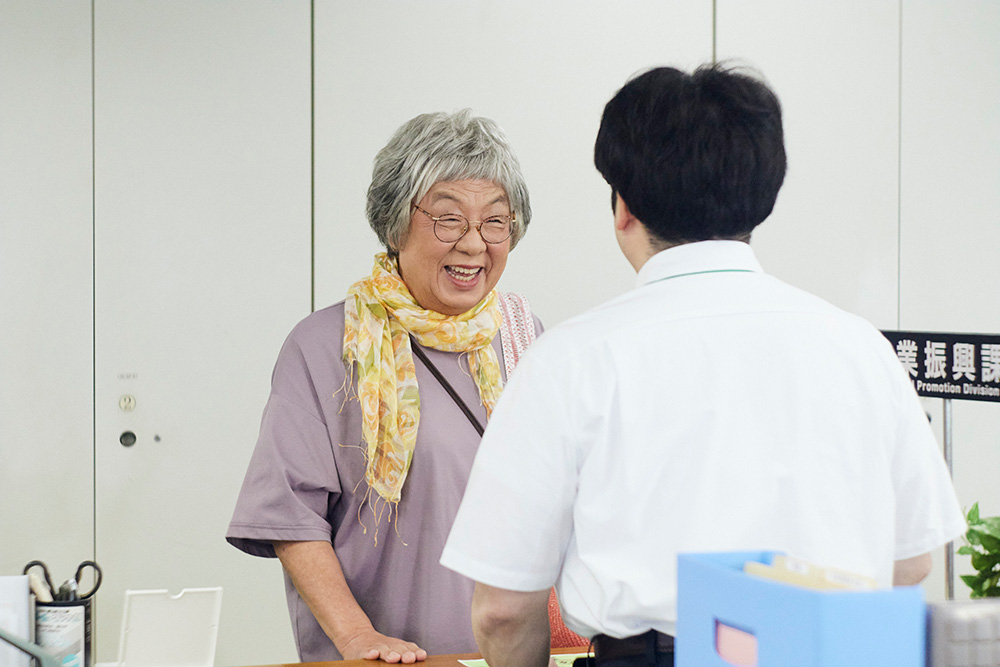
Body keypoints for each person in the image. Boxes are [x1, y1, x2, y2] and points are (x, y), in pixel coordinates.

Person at [440, 64, 966, 667]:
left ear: (624, 207)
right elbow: (913, 561)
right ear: (760, 197)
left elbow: (503, 609)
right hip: (836, 652)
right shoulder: (862, 349)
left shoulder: (568, 361)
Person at [226, 109, 570, 663]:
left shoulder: (524, 338)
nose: (475, 244)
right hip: (389, 660)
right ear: (395, 222)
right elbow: (291, 518)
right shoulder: (325, 346)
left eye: (496, 221)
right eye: (449, 219)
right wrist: (358, 639)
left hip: (507, 656)